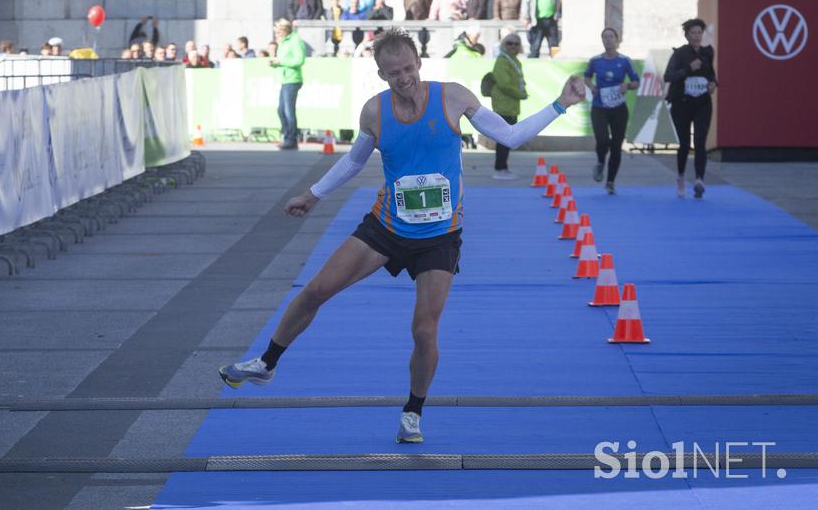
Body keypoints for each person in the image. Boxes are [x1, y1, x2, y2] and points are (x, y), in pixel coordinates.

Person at [219, 28, 585, 443]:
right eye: (393, 73)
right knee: (316, 289)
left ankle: (413, 412)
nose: (404, 78)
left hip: (439, 235)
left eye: (408, 68)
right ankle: (267, 363)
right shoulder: (375, 112)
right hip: (387, 227)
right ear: (381, 74)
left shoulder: (453, 97)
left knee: (424, 330)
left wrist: (560, 104)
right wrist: (312, 195)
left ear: (419, 64)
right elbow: (353, 163)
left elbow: (511, 136)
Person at [664, 18, 717, 198]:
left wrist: (712, 84)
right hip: (682, 103)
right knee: (684, 144)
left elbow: (712, 75)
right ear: (687, 35)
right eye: (693, 33)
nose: (696, 36)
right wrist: (688, 69)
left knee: (700, 142)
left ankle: (699, 180)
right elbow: (668, 76)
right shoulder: (679, 54)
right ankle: (680, 177)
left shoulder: (708, 52)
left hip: (702, 103)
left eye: (699, 33)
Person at [584, 28, 640, 194]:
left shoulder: (625, 61)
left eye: (611, 37)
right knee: (602, 140)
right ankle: (601, 162)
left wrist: (627, 85)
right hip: (599, 107)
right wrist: (592, 86)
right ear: (602, 40)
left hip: (618, 109)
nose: (608, 40)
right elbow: (586, 76)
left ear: (617, 40)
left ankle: (610, 182)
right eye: (605, 37)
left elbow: (636, 81)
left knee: (616, 145)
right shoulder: (595, 61)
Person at [489, 34, 528, 180]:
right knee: (504, 138)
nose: (513, 46)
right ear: (504, 45)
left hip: (511, 104)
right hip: (503, 104)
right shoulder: (502, 60)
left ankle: (503, 167)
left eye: (516, 44)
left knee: (508, 138)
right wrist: (520, 94)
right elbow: (504, 84)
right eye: (510, 43)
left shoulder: (514, 61)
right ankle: (499, 169)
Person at [269, 18, 307, 150]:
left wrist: (280, 62)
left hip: (293, 80)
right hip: (285, 80)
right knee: (281, 110)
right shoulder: (284, 41)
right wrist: (275, 64)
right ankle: (287, 137)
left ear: (285, 30)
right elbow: (284, 60)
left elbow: (299, 60)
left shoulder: (295, 40)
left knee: (288, 111)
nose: (277, 35)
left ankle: (291, 139)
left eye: (279, 32)